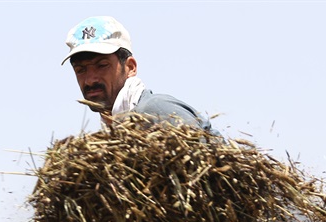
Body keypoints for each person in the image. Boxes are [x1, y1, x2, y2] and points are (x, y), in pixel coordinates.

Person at [62, 16, 218, 135]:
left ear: (130, 67)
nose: (90, 80)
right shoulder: (112, 135)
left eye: (102, 66)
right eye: (81, 70)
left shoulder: (154, 112)